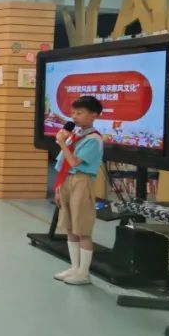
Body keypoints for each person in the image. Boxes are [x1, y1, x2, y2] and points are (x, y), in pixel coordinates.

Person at [53, 95, 105, 285]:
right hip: (67, 180)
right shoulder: (75, 135)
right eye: (73, 113)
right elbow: (63, 163)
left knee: (82, 228)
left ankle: (84, 273)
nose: (74, 117)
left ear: (94, 115)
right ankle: (74, 267)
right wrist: (58, 186)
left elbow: (74, 162)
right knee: (70, 227)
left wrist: (61, 142)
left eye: (80, 113)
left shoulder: (93, 139)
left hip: (81, 181)